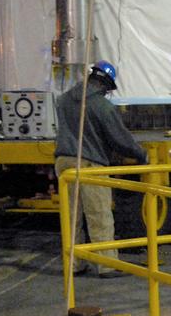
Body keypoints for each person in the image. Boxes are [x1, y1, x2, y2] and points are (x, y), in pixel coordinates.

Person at [54, 61, 148, 276]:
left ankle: (74, 264)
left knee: (71, 218)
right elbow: (120, 139)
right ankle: (106, 265)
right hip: (89, 165)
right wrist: (140, 154)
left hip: (64, 163)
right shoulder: (102, 107)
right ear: (106, 84)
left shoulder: (64, 99)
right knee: (99, 216)